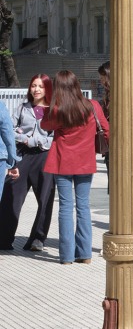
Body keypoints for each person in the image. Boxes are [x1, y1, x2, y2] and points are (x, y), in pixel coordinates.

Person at [42, 70, 109, 265]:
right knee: (83, 206)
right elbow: (106, 129)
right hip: (85, 161)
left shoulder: (57, 110)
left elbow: (45, 125)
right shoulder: (92, 106)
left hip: (62, 162)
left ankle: (66, 256)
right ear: (76, 85)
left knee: (65, 207)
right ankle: (85, 254)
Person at [0, 74, 55, 252]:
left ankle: (37, 239)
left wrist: (36, 140)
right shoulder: (22, 108)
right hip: (22, 155)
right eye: (33, 85)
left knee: (45, 198)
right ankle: (4, 238)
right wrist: (24, 138)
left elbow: (56, 137)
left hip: (45, 157)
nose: (36, 89)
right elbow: (10, 129)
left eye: (40, 86)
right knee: (11, 196)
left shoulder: (54, 110)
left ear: (47, 89)